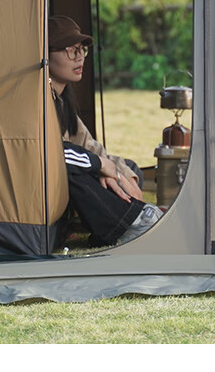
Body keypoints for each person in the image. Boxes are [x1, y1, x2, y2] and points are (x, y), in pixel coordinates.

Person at [48, 15, 162, 247]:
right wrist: (100, 166)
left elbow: (89, 146)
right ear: (45, 56)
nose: (79, 57)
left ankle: (124, 214)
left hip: (71, 167)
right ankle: (127, 222)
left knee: (131, 169)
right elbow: (52, 153)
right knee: (77, 171)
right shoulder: (36, 100)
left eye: (82, 50)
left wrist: (120, 174)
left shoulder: (61, 99)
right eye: (70, 50)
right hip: (50, 179)